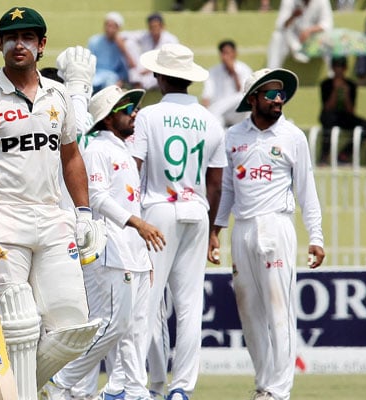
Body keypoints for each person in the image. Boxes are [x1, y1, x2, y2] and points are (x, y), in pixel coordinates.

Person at [0, 7, 106, 400]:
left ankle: (3, 387)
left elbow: (71, 156)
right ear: (0, 44)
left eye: (28, 37)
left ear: (41, 45)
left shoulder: (59, 95)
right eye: (11, 37)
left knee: (73, 328)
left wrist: (83, 212)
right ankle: (20, 392)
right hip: (1, 223)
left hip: (53, 220)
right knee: (19, 326)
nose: (19, 44)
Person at [41, 85, 165, 400]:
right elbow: (96, 197)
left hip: (133, 252)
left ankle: (135, 390)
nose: (134, 112)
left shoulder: (123, 150)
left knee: (136, 328)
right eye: (127, 109)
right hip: (110, 250)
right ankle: (60, 382)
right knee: (111, 324)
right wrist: (138, 224)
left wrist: (144, 256)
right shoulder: (97, 150)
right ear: (108, 118)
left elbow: (130, 202)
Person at [209, 67, 325, 400]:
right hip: (242, 229)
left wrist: (315, 236)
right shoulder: (233, 136)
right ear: (253, 98)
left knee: (279, 310)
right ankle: (264, 384)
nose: (279, 99)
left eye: (281, 94)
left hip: (276, 224)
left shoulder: (293, 136)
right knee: (249, 313)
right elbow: (228, 189)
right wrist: (216, 230)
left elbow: (307, 191)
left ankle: (280, 390)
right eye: (271, 94)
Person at [133, 43, 227, 400]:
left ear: (159, 76)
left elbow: (135, 168)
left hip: (157, 209)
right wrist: (214, 230)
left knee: (148, 299)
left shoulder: (148, 116)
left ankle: (137, 383)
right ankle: (182, 388)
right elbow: (216, 182)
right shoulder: (210, 120)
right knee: (189, 305)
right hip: (197, 211)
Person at [318, 56, 366, 164]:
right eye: (336, 67)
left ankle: (344, 155)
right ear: (333, 68)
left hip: (344, 116)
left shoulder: (351, 85)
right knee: (328, 121)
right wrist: (335, 90)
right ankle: (324, 156)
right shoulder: (326, 84)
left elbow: (351, 110)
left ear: (345, 68)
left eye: (341, 67)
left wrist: (346, 94)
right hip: (329, 116)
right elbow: (327, 107)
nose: (339, 70)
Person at [266, 0, 333, 69]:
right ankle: (272, 73)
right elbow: (280, 25)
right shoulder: (289, 1)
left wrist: (309, 31)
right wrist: (292, 16)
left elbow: (327, 24)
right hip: (292, 41)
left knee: (329, 39)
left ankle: (333, 75)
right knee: (277, 36)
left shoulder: (322, 1)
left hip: (313, 40)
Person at [201, 40, 253, 128]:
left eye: (228, 53)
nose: (225, 57)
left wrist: (233, 72)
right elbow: (207, 95)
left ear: (235, 53)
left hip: (237, 113)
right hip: (219, 113)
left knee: (242, 97)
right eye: (223, 53)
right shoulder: (213, 71)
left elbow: (243, 91)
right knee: (214, 115)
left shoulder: (244, 69)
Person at [126, 12, 179, 91]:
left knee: (157, 77)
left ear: (162, 26)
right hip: (143, 70)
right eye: (151, 27)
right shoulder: (145, 35)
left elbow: (171, 62)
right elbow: (124, 35)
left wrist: (149, 70)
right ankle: (137, 93)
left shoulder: (171, 40)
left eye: (155, 27)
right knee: (129, 44)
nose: (154, 30)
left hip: (162, 72)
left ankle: (138, 93)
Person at [88, 12, 136, 92]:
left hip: (112, 78)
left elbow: (129, 66)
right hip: (95, 77)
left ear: (118, 29)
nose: (109, 29)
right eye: (108, 25)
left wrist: (123, 48)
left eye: (113, 27)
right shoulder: (94, 41)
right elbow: (88, 64)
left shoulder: (122, 44)